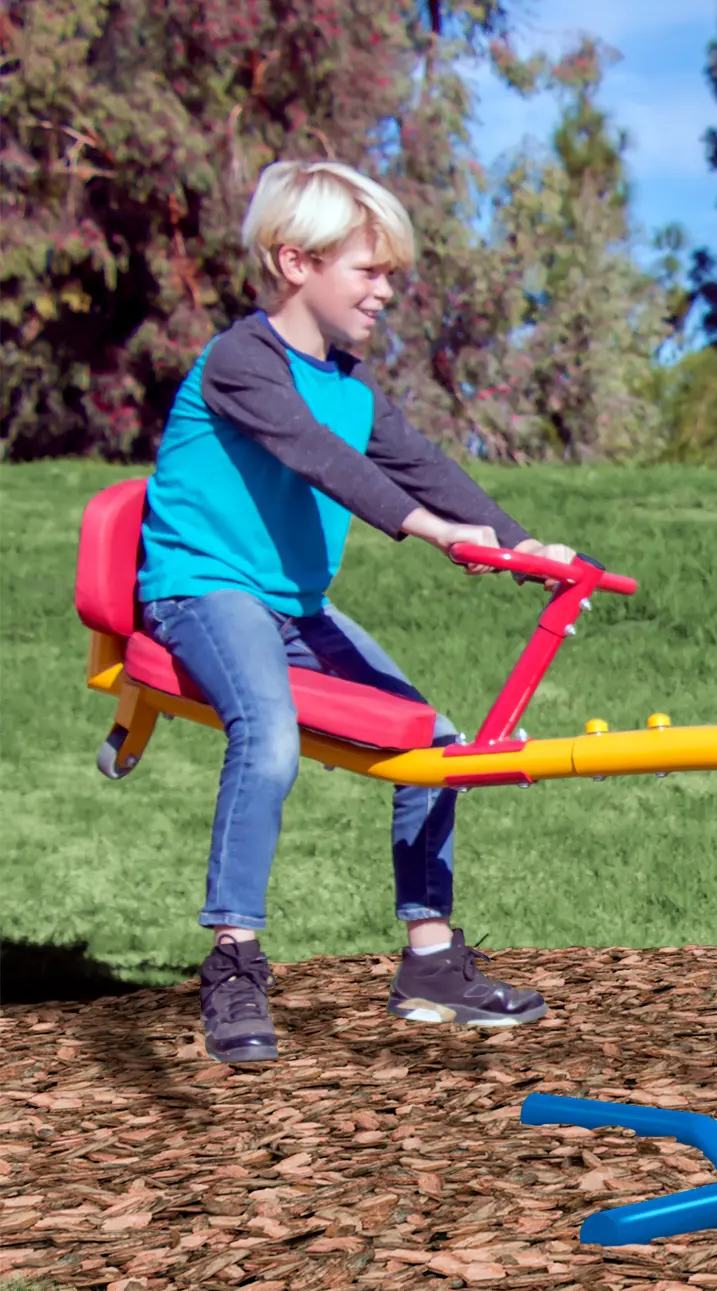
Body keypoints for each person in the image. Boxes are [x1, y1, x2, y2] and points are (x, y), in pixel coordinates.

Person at [139, 160, 570, 1066]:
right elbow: (322, 462)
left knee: (438, 745)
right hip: (204, 589)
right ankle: (233, 962)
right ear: (294, 263)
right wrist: (434, 534)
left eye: (389, 275)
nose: (386, 292)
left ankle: (429, 962)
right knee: (270, 734)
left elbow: (418, 464)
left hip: (294, 607)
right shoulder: (241, 362)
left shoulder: (351, 385)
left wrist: (519, 544)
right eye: (368, 271)